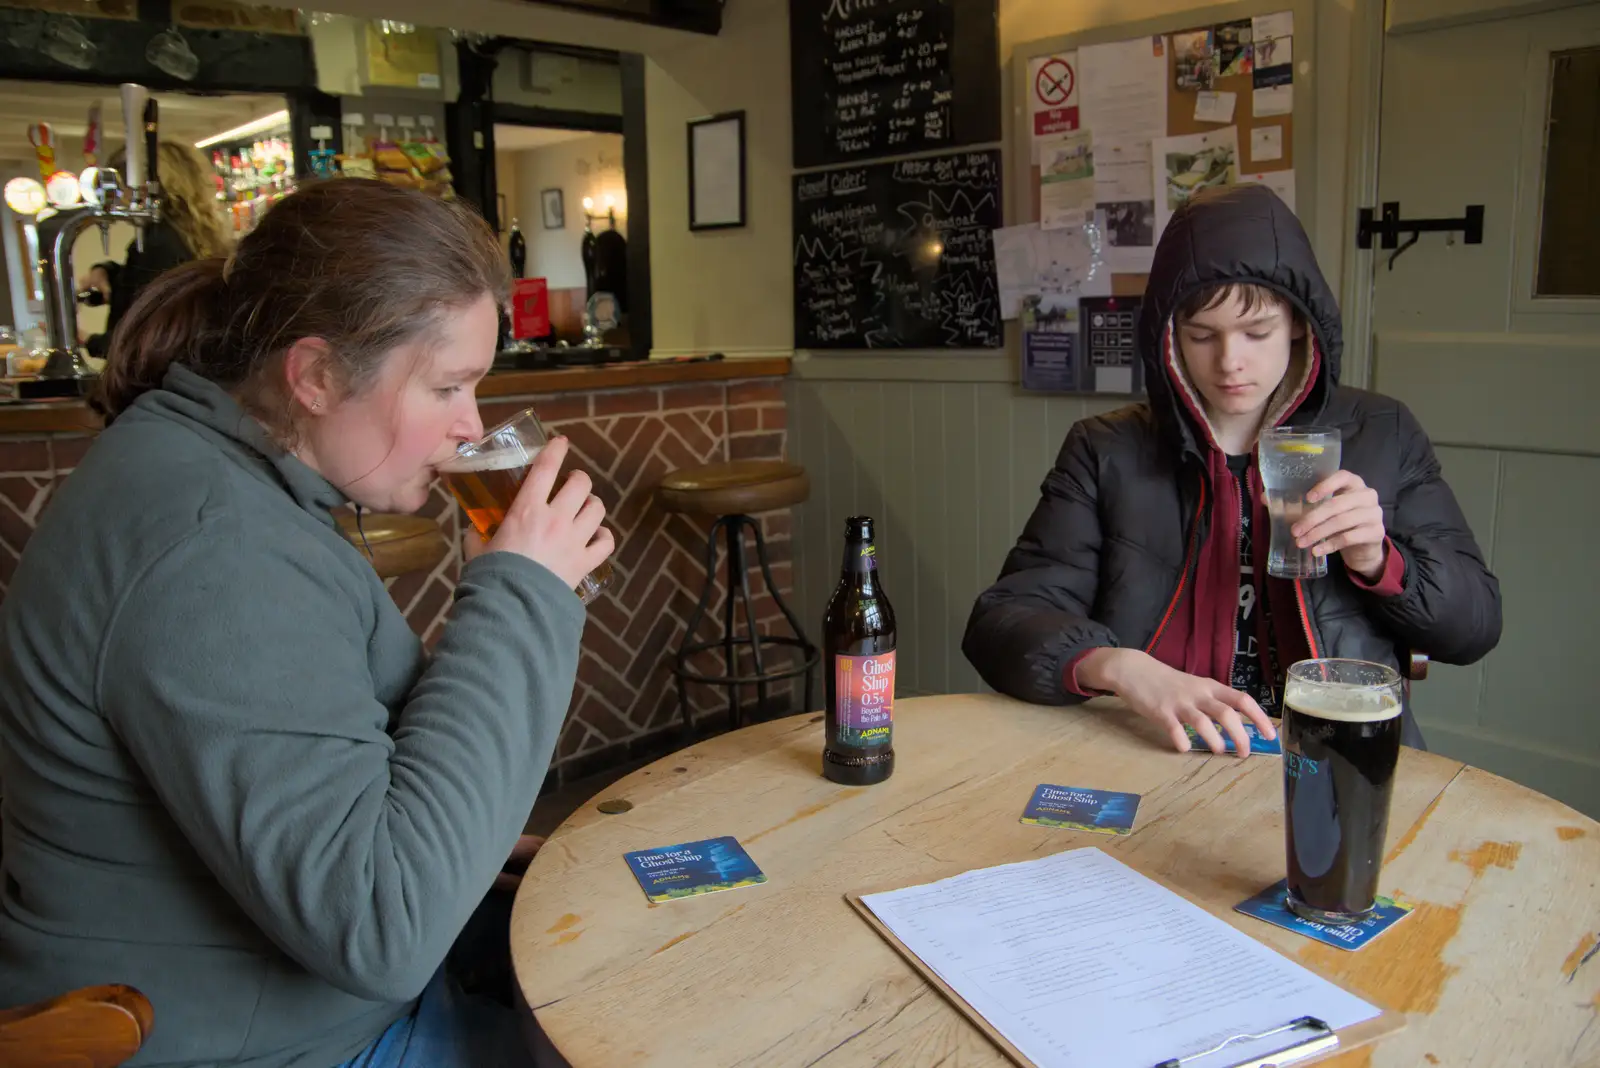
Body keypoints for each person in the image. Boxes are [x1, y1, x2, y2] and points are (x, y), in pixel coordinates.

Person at [0, 179, 613, 1067]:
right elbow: (384, 925)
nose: (472, 427)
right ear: (317, 376)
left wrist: (465, 839)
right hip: (274, 1042)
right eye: (448, 386)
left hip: (284, 999)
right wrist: (520, 591)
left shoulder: (214, 477)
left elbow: (339, 784)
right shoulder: (211, 550)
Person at [963, 183, 1500, 756]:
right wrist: (1118, 667)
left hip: (1329, 752)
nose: (1229, 362)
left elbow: (1475, 628)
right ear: (1168, 336)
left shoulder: (1382, 432)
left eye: (1257, 332)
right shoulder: (1106, 448)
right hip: (1153, 746)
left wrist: (1378, 560)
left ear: (1298, 322)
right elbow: (1001, 622)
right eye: (1201, 336)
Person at [80, 139, 231, 358]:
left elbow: (146, 339)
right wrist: (105, 271)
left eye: (119, 189)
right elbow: (151, 284)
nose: (117, 201)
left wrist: (85, 339)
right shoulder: (190, 236)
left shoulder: (156, 243)